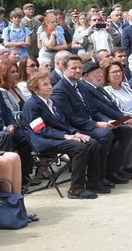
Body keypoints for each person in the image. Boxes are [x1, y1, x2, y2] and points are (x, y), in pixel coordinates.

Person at [21, 70, 105, 199]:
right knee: (79, 148)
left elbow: (64, 123)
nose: (49, 86)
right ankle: (75, 189)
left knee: (91, 142)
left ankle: (92, 181)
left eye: (49, 83)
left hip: (59, 137)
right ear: (35, 89)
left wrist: (75, 132)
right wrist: (66, 136)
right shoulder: (32, 105)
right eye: (44, 85)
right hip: (44, 141)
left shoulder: (52, 102)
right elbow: (41, 130)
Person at [52, 55, 132, 184]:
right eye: (74, 68)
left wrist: (108, 121)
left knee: (125, 130)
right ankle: (97, 177)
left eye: (79, 68)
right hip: (78, 128)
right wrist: (97, 124)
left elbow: (94, 110)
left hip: (91, 122)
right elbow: (70, 118)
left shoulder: (81, 86)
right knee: (105, 135)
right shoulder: (59, 90)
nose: (78, 71)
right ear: (64, 70)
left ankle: (112, 170)